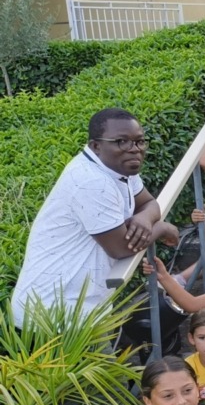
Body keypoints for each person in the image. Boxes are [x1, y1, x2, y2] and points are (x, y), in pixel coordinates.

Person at [12, 108, 178, 326]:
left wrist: (145, 219)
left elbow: (148, 202)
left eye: (139, 142)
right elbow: (121, 247)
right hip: (52, 317)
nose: (134, 149)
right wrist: (162, 228)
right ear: (96, 146)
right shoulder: (91, 181)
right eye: (121, 141)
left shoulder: (120, 168)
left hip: (83, 312)